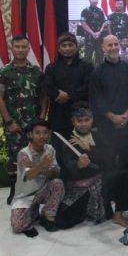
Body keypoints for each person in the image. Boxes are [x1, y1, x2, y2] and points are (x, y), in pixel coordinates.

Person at [89, 35, 128, 226]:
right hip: (107, 131)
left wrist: (127, 115)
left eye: (116, 44)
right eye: (109, 45)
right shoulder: (97, 72)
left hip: (127, 128)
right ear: (103, 48)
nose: (113, 47)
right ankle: (106, 209)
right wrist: (112, 117)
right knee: (110, 170)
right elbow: (96, 100)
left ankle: (121, 210)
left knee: (126, 170)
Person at [0, 34, 47, 205]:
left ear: (29, 48)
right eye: (17, 47)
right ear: (12, 48)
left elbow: (44, 97)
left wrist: (41, 120)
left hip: (34, 125)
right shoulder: (3, 72)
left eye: (24, 47)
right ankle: (14, 190)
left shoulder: (37, 71)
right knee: (14, 157)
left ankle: (37, 190)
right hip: (14, 124)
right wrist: (9, 121)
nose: (20, 50)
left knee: (36, 157)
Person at [44, 33, 94, 166]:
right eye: (63, 45)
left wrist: (69, 95)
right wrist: (57, 95)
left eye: (70, 45)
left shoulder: (87, 66)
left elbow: (89, 87)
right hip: (58, 118)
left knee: (81, 154)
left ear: (76, 47)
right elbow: (48, 88)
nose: (67, 48)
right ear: (59, 49)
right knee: (59, 155)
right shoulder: (51, 68)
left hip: (81, 120)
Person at [10, 119, 65, 237]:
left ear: (49, 134)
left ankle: (47, 216)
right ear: (30, 134)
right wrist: (42, 165)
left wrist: (40, 169)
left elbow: (55, 173)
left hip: (43, 190)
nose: (42, 136)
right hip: (26, 195)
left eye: (45, 132)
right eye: (37, 132)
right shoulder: (23, 153)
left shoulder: (50, 149)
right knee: (18, 227)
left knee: (57, 183)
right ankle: (33, 212)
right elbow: (29, 175)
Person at [60, 103, 106, 223]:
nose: (83, 124)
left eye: (87, 120)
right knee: (64, 221)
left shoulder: (98, 135)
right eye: (79, 120)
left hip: (99, 182)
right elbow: (67, 164)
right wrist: (79, 165)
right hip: (78, 186)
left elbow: (108, 155)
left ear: (92, 120)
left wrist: (88, 148)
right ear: (73, 121)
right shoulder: (68, 139)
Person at [80, 0, 107, 64]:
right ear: (90, 0)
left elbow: (103, 22)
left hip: (99, 37)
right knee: (88, 57)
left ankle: (99, 72)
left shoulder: (100, 11)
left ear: (97, 1)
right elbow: (83, 23)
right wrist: (92, 33)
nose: (94, 1)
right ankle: (87, 73)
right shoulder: (85, 10)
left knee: (100, 56)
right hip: (89, 37)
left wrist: (99, 32)